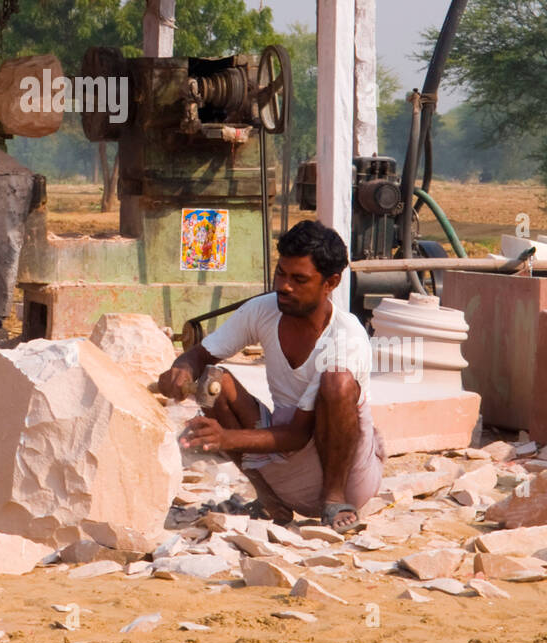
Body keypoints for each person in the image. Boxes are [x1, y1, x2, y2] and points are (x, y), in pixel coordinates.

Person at [158, 219, 384, 532]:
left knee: (338, 382)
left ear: (330, 283)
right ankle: (268, 499)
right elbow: (201, 354)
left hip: (347, 476)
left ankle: (334, 501)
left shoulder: (346, 338)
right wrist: (181, 369)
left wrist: (226, 438)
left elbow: (298, 434)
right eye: (281, 273)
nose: (284, 286)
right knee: (215, 380)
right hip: (286, 464)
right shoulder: (263, 310)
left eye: (299, 279)